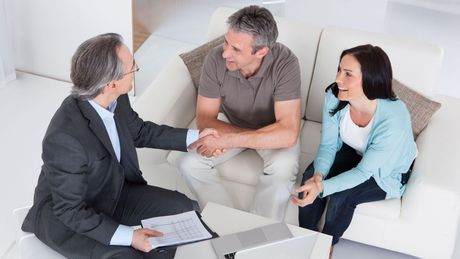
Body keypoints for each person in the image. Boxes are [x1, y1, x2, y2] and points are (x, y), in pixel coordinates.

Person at [21, 33, 214, 259]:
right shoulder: (65, 138)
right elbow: (70, 211)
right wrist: (131, 236)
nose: (136, 70)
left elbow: (139, 131)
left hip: (113, 192)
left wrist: (197, 138)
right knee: (125, 255)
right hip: (73, 217)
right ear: (112, 83)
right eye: (133, 68)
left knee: (183, 209)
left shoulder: (114, 98)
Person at [291, 44, 417, 256]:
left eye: (348, 74)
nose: (339, 79)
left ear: (370, 79)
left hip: (385, 170)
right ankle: (308, 238)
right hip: (354, 152)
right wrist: (319, 177)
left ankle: (326, 245)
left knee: (343, 196)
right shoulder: (334, 95)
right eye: (339, 70)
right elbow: (328, 145)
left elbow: (363, 172)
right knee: (309, 179)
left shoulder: (394, 118)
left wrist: (322, 188)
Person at [179, 5, 301, 221]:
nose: (225, 52)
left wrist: (234, 139)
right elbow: (205, 118)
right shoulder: (215, 59)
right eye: (226, 42)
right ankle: (226, 222)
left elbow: (288, 133)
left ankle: (261, 230)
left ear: (261, 51)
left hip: (270, 127)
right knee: (189, 162)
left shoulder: (286, 63)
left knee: (283, 170)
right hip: (230, 122)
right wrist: (241, 138)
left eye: (236, 49)